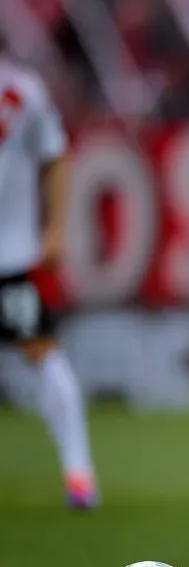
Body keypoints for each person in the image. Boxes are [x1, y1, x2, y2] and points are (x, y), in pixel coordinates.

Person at [0, 38, 98, 508]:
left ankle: (78, 474)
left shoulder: (22, 90)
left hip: (8, 257)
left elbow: (55, 154)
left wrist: (55, 227)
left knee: (43, 353)